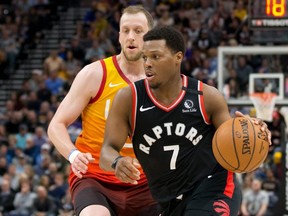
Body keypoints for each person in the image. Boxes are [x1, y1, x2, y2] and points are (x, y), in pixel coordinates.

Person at [100, 26, 272, 216]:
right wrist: (117, 162)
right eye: (145, 57)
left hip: (213, 187)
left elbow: (234, 139)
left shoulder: (206, 97)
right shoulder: (129, 98)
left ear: (178, 58)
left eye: (156, 57)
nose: (148, 63)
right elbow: (106, 151)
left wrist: (254, 132)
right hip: (167, 199)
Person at [47, 5, 160, 216]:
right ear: (118, 36)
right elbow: (56, 124)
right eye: (125, 30)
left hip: (145, 182)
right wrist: (73, 154)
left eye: (138, 31)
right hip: (96, 177)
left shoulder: (163, 82)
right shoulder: (94, 74)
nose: (131, 37)